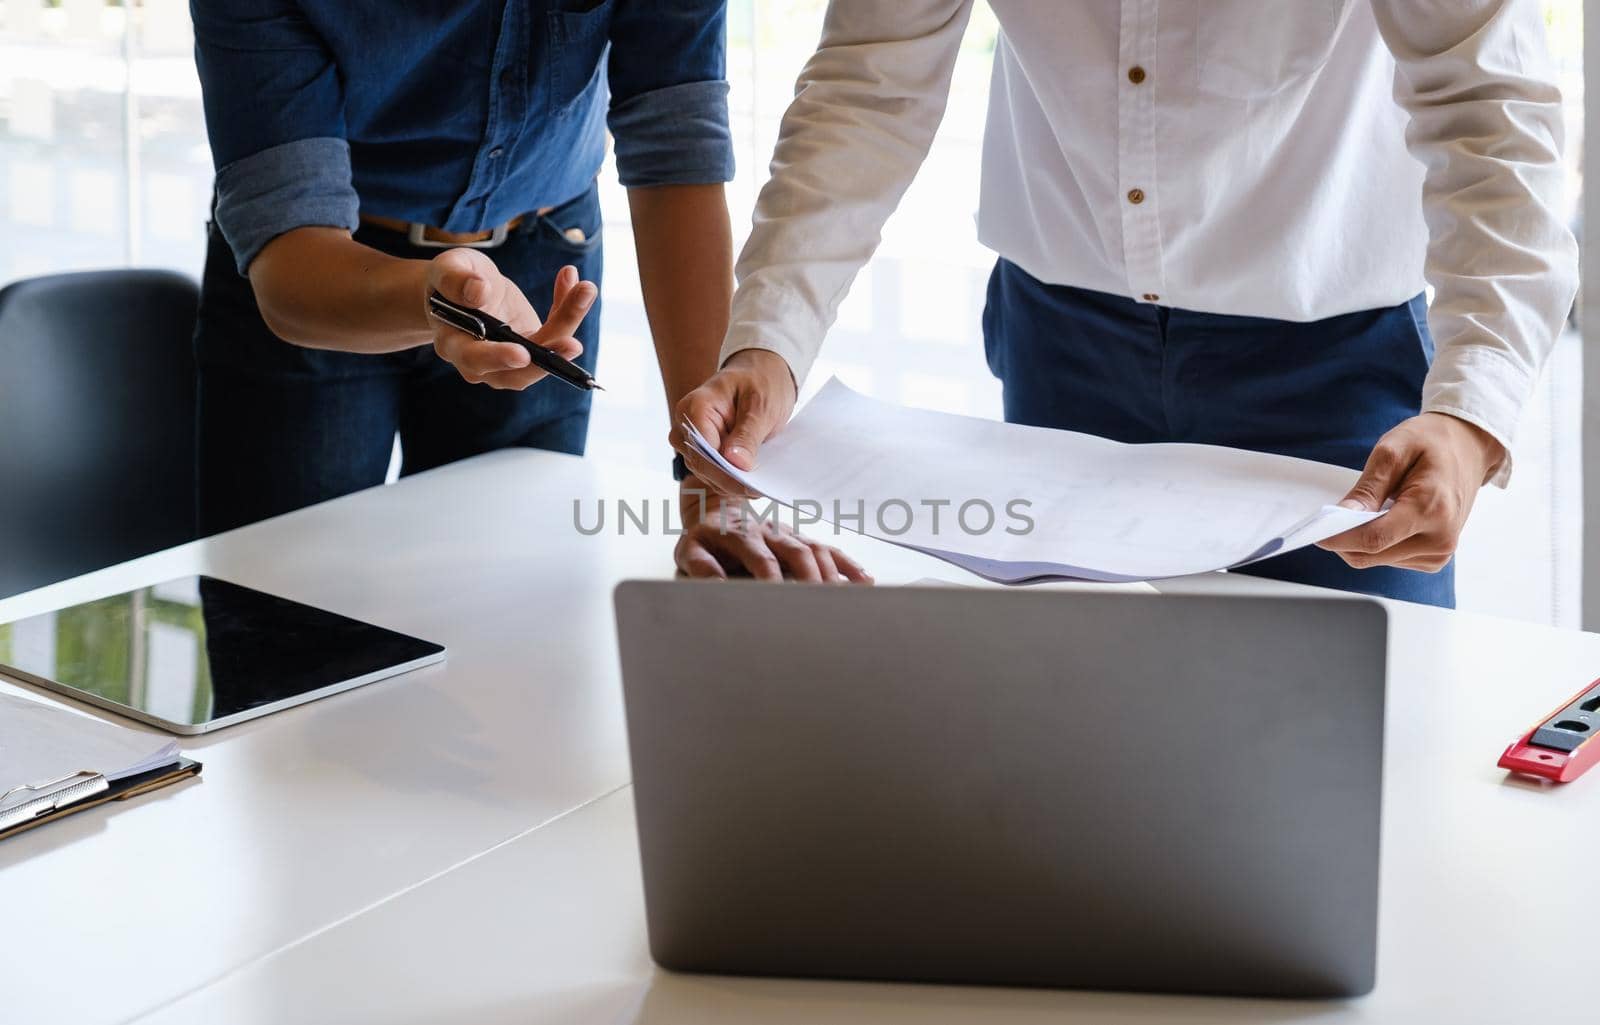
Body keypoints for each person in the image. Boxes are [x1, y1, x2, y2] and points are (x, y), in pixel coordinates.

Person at [675, 0, 1580, 606]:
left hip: (1339, 377)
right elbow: (870, 86)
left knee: (1369, 749)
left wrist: (1469, 417)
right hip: (1061, 351)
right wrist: (771, 341)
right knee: (1082, 757)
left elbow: (1491, 104)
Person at [190, 1, 862, 581]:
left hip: (544, 254)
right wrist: (439, 297)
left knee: (512, 618)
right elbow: (288, 265)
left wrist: (716, 489)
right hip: (322, 273)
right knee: (289, 621)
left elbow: (674, 143)